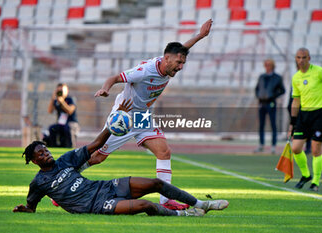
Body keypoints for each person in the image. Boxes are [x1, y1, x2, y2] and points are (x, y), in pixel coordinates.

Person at [13, 100, 229, 217]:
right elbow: (31, 206)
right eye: (40, 153)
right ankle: (187, 216)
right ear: (34, 161)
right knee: (145, 205)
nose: (46, 153)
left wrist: (113, 122)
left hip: (104, 187)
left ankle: (202, 204)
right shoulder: (38, 183)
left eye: (46, 150)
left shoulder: (66, 159)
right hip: (95, 205)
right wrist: (26, 209)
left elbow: (96, 145)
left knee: (155, 183)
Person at [84, 19, 213, 210]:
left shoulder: (169, 61)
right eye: (179, 62)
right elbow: (115, 77)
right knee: (97, 157)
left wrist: (201, 36)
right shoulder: (144, 71)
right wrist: (105, 89)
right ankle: (65, 182)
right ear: (167, 58)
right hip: (124, 115)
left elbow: (181, 48)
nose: (180, 67)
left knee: (164, 152)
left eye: (183, 63)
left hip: (142, 116)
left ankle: (166, 201)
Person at [289, 48, 322, 192]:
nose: (301, 60)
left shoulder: (320, 72)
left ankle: (315, 182)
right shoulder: (296, 77)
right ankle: (306, 175)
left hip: (320, 114)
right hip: (304, 116)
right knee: (296, 148)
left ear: (309, 58)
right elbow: (296, 101)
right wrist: (292, 123)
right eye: (298, 58)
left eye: (304, 57)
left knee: (316, 149)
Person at [254, 59, 285, 154]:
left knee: (273, 125)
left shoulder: (277, 78)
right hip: (262, 103)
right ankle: (261, 144)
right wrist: (258, 96)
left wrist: (273, 95)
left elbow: (282, 90)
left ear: (272, 66)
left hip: (271, 103)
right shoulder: (261, 77)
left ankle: (273, 146)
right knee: (261, 125)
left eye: (269, 65)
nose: (267, 66)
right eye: (266, 65)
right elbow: (257, 88)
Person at [44, 83, 80, 148]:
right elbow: (50, 111)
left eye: (62, 91)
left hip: (71, 123)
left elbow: (70, 111)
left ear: (67, 91)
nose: (60, 92)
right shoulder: (56, 101)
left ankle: (70, 147)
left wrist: (62, 102)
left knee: (67, 128)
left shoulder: (70, 99)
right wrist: (53, 98)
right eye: (58, 91)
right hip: (61, 124)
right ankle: (53, 147)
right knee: (52, 128)